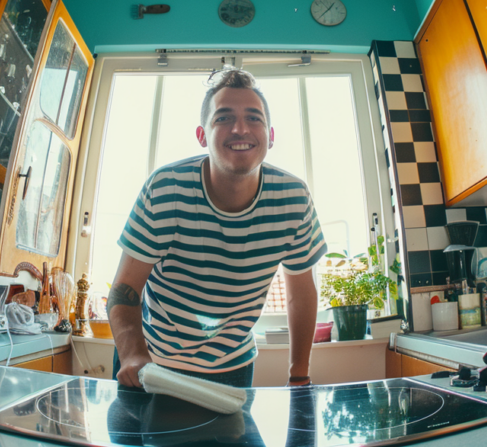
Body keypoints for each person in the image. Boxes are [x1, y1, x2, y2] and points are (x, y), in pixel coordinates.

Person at [108, 69, 327, 389]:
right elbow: (124, 288)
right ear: (202, 135)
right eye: (223, 118)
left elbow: (300, 294)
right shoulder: (165, 188)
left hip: (233, 368)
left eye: (254, 118)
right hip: (151, 361)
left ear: (271, 135)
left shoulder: (294, 198)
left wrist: (299, 375)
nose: (240, 128)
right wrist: (132, 355)